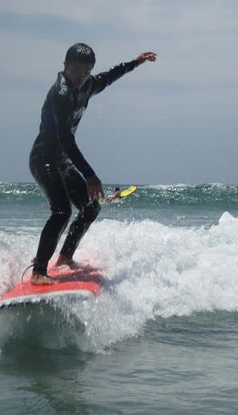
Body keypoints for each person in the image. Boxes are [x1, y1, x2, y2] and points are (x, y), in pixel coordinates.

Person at [29, 43, 156, 284]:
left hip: (62, 161)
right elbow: (65, 140)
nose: (81, 77)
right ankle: (38, 272)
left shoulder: (87, 85)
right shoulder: (61, 95)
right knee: (61, 211)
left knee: (90, 207)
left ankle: (65, 258)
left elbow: (109, 76)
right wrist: (89, 175)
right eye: (76, 71)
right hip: (44, 159)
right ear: (65, 65)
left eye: (86, 72)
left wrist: (135, 63)